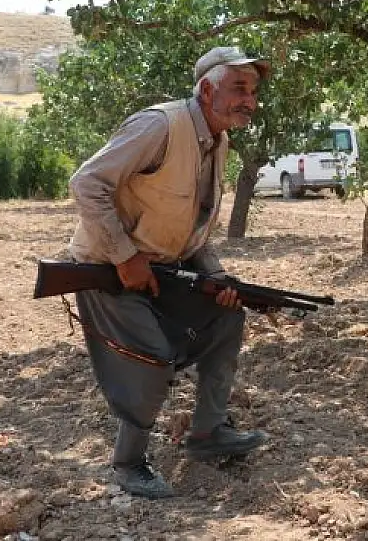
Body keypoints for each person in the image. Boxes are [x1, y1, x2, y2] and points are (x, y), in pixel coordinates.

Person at [65, 46, 272, 499]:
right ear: (206, 88)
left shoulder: (218, 141)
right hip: (108, 268)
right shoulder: (159, 125)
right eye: (239, 88)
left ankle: (207, 432)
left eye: (253, 91)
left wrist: (217, 278)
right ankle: (127, 464)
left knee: (227, 318)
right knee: (151, 355)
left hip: (162, 269)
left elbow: (193, 225)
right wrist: (123, 256)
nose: (250, 101)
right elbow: (86, 183)